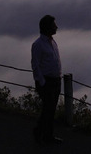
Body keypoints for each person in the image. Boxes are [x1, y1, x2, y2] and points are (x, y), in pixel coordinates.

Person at [31, 15, 63, 144]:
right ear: (47, 27)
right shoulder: (38, 44)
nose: (56, 27)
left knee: (50, 109)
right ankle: (43, 134)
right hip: (47, 81)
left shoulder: (53, 42)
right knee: (48, 109)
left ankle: (44, 134)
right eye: (54, 25)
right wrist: (42, 82)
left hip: (55, 81)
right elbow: (35, 64)